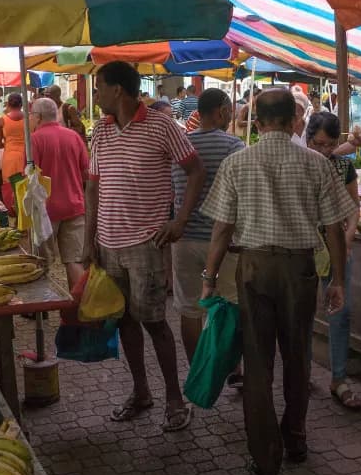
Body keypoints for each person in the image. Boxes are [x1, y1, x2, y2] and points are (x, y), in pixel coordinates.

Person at [201, 89, 353, 475]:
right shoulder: (317, 163)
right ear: (293, 121)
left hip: (253, 267)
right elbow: (334, 229)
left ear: (258, 121)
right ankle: (295, 438)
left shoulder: (237, 162)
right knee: (297, 355)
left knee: (257, 361)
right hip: (299, 269)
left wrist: (209, 279)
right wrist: (338, 280)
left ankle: (265, 457)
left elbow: (222, 229)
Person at [84, 61, 205, 432]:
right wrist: (88, 240)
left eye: (99, 87)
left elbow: (196, 170)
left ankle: (174, 398)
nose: (96, 95)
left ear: (117, 90)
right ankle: (141, 392)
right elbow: (93, 187)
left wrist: (179, 220)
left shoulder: (161, 125)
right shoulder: (101, 131)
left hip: (146, 243)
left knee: (154, 323)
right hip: (108, 243)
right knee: (124, 321)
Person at [167, 88, 245, 364]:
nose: (231, 116)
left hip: (185, 240)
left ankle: (196, 368)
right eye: (230, 112)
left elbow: (172, 190)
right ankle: (231, 368)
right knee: (228, 307)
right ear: (221, 111)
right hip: (222, 242)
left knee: (190, 310)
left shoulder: (182, 146)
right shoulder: (234, 146)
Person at [304, 111, 361, 410]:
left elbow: (353, 208)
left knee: (340, 311)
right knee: (301, 312)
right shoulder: (298, 164)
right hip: (303, 248)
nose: (325, 150)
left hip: (336, 248)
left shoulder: (343, 166)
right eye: (319, 143)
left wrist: (347, 237)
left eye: (330, 144)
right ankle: (301, 373)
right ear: (308, 139)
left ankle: (339, 378)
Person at [29, 98, 89, 289]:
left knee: (41, 263)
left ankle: (44, 304)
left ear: (38, 117)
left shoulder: (34, 140)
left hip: (45, 211)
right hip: (74, 206)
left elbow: (30, 177)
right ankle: (80, 303)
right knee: (74, 261)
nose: (30, 119)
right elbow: (86, 172)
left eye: (31, 115)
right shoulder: (73, 137)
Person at [0, 94, 27, 211]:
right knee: (25, 187)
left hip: (9, 159)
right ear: (21, 104)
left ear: (8, 104)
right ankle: (24, 214)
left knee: (10, 188)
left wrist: (7, 144)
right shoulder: (29, 118)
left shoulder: (2, 120)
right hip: (25, 157)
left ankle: (14, 213)